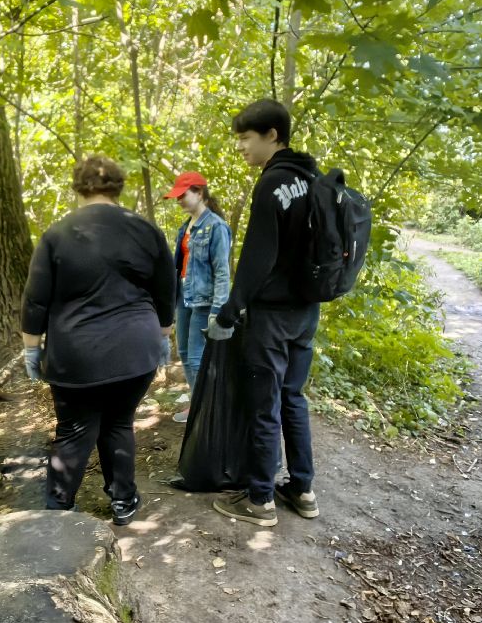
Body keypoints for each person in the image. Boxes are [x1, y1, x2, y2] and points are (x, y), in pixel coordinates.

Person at [21, 155, 174, 525]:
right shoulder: (145, 230)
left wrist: (31, 348)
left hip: (78, 354)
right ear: (118, 186)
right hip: (136, 351)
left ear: (78, 188)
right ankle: (123, 500)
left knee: (75, 429)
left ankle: (59, 509)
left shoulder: (57, 235)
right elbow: (167, 290)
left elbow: (36, 300)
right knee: (119, 422)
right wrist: (164, 335)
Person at [206, 99, 323, 527]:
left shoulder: (272, 183)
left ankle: (260, 500)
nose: (240, 147)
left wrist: (230, 310)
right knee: (293, 397)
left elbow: (258, 257)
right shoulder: (313, 178)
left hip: (271, 315)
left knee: (265, 403)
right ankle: (303, 490)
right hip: (306, 311)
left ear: (272, 135)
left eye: (245, 138)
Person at [164, 171, 232, 423]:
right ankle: (198, 404)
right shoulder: (185, 228)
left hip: (205, 301)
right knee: (183, 352)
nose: (179, 199)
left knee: (196, 359)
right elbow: (179, 267)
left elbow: (222, 271)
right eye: (177, 196)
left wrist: (217, 310)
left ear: (200, 193)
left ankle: (207, 413)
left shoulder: (216, 226)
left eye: (183, 194)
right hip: (184, 296)